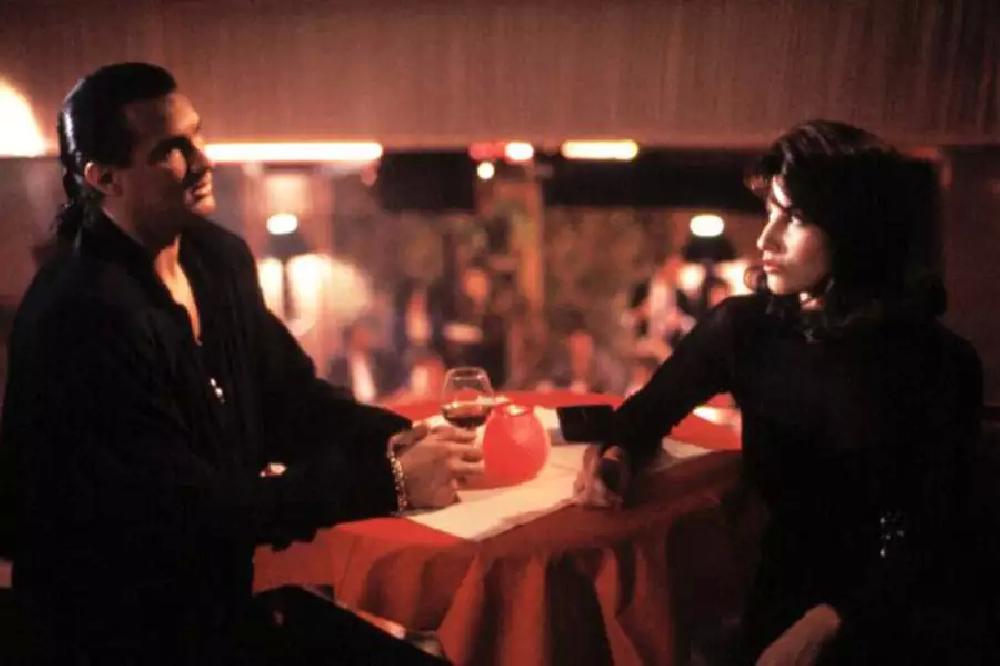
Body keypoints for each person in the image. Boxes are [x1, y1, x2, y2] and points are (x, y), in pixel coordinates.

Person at [0, 62, 483, 663]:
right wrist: (389, 481)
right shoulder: (82, 315)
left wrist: (402, 437)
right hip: (117, 635)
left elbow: (292, 400)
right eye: (169, 151)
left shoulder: (215, 259)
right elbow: (194, 509)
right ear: (104, 178)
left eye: (196, 135)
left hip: (218, 607)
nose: (202, 162)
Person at [573, 120, 989, 664]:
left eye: (793, 218)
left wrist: (831, 622)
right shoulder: (746, 328)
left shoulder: (940, 361)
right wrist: (616, 456)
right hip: (780, 596)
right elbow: (643, 416)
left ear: (853, 229)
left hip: (902, 615)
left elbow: (933, 529)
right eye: (769, 211)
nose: (765, 239)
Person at [328, 317, 403, 403]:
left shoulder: (382, 360)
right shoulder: (338, 366)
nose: (366, 338)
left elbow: (396, 385)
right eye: (360, 334)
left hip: (381, 404)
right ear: (351, 338)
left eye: (367, 334)